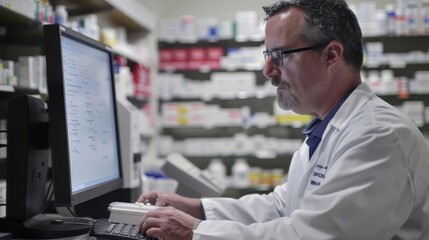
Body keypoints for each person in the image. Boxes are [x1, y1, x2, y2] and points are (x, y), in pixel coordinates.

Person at [138, 0, 429, 239]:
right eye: (267, 54)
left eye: (279, 54)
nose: (268, 70)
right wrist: (199, 208)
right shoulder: (325, 129)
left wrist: (196, 232)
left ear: (331, 55)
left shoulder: (378, 136)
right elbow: (283, 207)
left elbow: (314, 236)